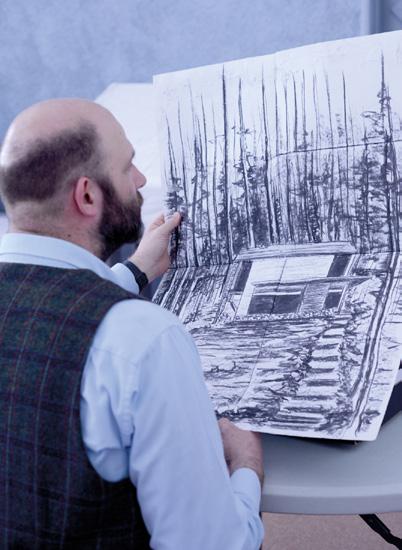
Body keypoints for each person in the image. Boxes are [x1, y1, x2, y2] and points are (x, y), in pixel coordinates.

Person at [0, 98, 264, 549]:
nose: (141, 180)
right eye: (128, 167)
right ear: (87, 195)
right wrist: (246, 468)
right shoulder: (146, 340)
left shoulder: (123, 338)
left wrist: (136, 270)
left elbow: (41, 311)